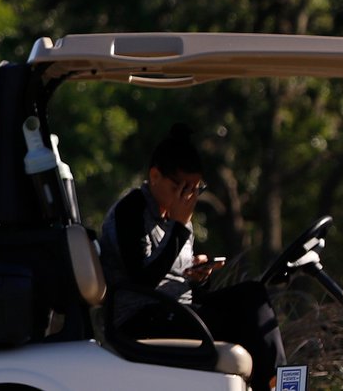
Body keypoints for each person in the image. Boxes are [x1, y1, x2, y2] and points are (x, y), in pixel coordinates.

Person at [99, 123, 287, 388]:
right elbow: (142, 280)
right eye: (180, 187)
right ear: (155, 176)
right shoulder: (131, 211)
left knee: (252, 295)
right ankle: (277, 384)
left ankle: (281, 384)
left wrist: (198, 278)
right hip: (141, 320)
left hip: (177, 311)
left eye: (194, 189)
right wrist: (177, 227)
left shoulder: (178, 218)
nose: (187, 196)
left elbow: (182, 285)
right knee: (242, 323)